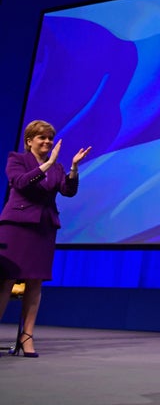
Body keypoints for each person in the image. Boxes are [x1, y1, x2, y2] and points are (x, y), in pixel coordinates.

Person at [0, 120, 91, 357]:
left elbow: (68, 191)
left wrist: (73, 168)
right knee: (6, 281)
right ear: (29, 141)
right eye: (42, 138)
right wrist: (48, 164)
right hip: (16, 227)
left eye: (50, 138)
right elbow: (19, 183)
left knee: (35, 282)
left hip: (44, 228)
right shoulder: (16, 159)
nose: (48, 142)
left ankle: (27, 336)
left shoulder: (57, 168)